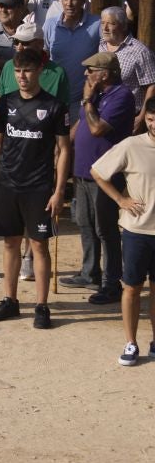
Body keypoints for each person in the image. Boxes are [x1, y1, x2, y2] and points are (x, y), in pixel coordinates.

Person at [0, 45, 73, 328]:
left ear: (40, 71)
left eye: (27, 71)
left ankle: (42, 306)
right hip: (8, 184)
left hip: (39, 188)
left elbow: (64, 150)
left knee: (38, 245)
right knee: (10, 242)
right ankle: (10, 300)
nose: (22, 76)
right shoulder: (5, 103)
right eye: (18, 71)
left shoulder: (55, 106)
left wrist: (59, 190)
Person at [89, 91, 155, 365]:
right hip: (137, 231)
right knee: (132, 288)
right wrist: (120, 199)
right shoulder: (131, 145)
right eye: (150, 119)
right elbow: (97, 171)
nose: (154, 124)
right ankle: (131, 343)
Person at [70, 52, 136, 305]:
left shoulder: (121, 96)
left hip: (105, 175)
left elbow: (97, 128)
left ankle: (111, 283)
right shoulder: (95, 94)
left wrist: (88, 100)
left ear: (105, 74)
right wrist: (62, 146)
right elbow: (81, 124)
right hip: (82, 170)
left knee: (105, 229)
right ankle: (89, 272)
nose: (85, 74)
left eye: (90, 70)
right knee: (84, 223)